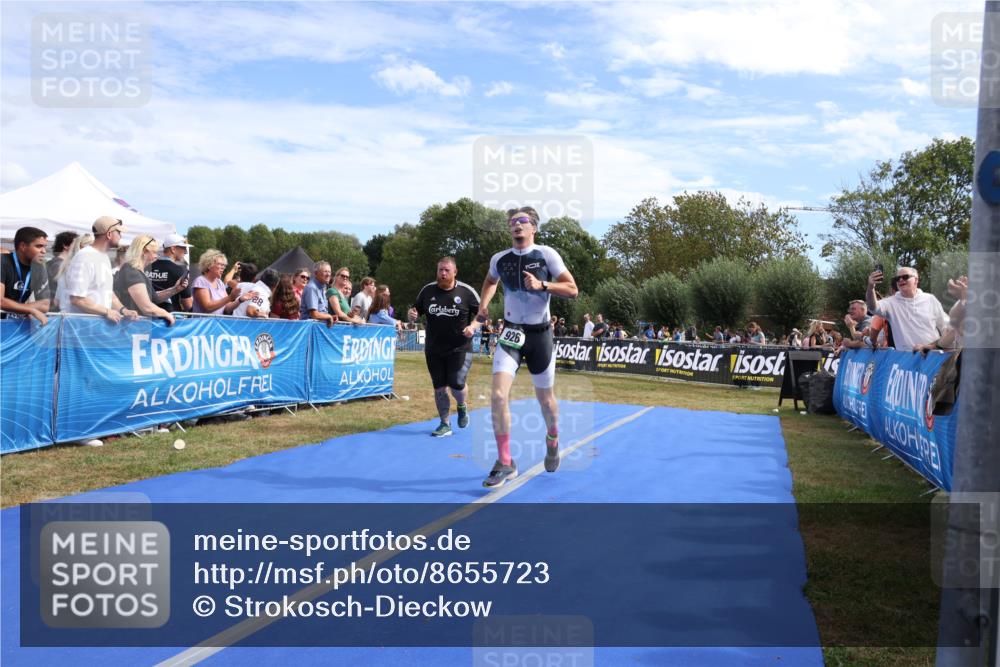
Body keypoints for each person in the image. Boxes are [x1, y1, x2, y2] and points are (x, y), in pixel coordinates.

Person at [475, 207, 578, 487]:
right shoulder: (500, 259)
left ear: (533, 227)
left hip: (540, 335)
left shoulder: (546, 254)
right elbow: (490, 281)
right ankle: (505, 461)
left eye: (522, 221)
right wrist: (483, 306)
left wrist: (543, 285)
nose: (516, 225)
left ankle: (553, 436)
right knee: (497, 396)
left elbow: (572, 289)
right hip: (511, 333)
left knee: (546, 401)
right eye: (512, 222)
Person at [408, 257, 481, 437]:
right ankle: (444, 423)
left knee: (456, 383)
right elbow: (415, 311)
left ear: (455, 272)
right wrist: (411, 315)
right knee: (439, 387)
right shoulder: (427, 290)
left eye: (447, 270)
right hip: (434, 348)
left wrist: (473, 327)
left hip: (460, 347)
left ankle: (462, 405)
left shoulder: (466, 292)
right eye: (440, 270)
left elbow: (483, 314)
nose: (442, 273)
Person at [62, 217, 138, 323]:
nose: (121, 236)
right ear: (109, 234)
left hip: (95, 328)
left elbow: (107, 292)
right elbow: (77, 299)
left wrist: (123, 310)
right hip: (81, 329)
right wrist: (107, 311)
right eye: (119, 232)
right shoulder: (85, 257)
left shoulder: (103, 256)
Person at [866, 266, 950, 351]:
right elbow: (872, 307)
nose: (901, 280)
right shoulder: (890, 303)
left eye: (905, 277)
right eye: (897, 279)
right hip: (907, 360)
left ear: (916, 280)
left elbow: (944, 327)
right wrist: (871, 287)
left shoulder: (930, 299)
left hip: (933, 357)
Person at [113, 235, 180, 325]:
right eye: (154, 252)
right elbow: (146, 307)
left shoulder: (135, 271)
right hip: (128, 329)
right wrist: (166, 314)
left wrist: (175, 289)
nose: (157, 256)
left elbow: (153, 298)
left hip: (133, 328)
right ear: (144, 251)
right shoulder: (132, 272)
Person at [1, 226, 51, 324]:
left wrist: (21, 308)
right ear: (23, 246)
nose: (44, 251)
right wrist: (30, 309)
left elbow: (45, 305)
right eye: (39, 246)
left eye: (45, 247)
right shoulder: (2, 261)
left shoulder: (39, 268)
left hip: (13, 325)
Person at [191, 249, 250, 315]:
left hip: (217, 323)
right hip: (203, 324)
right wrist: (230, 297)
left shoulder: (219, 282)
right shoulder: (201, 281)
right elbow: (207, 307)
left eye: (224, 265)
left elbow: (227, 308)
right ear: (209, 265)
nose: (223, 268)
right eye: (220, 264)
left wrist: (240, 300)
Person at [146, 233, 193, 313]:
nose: (185, 252)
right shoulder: (180, 270)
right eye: (183, 248)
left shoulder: (146, 267)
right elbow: (188, 304)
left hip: (147, 316)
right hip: (171, 318)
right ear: (173, 249)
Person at [46, 230, 78, 312]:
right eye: (76, 244)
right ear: (66, 246)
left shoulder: (52, 263)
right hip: (56, 312)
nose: (78, 247)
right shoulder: (58, 265)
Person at [300, 261, 335, 326]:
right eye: (325, 271)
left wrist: (331, 317)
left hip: (317, 329)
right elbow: (314, 314)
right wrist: (329, 316)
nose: (328, 274)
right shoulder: (312, 288)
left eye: (329, 272)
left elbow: (322, 312)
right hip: (309, 330)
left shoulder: (323, 288)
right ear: (316, 273)